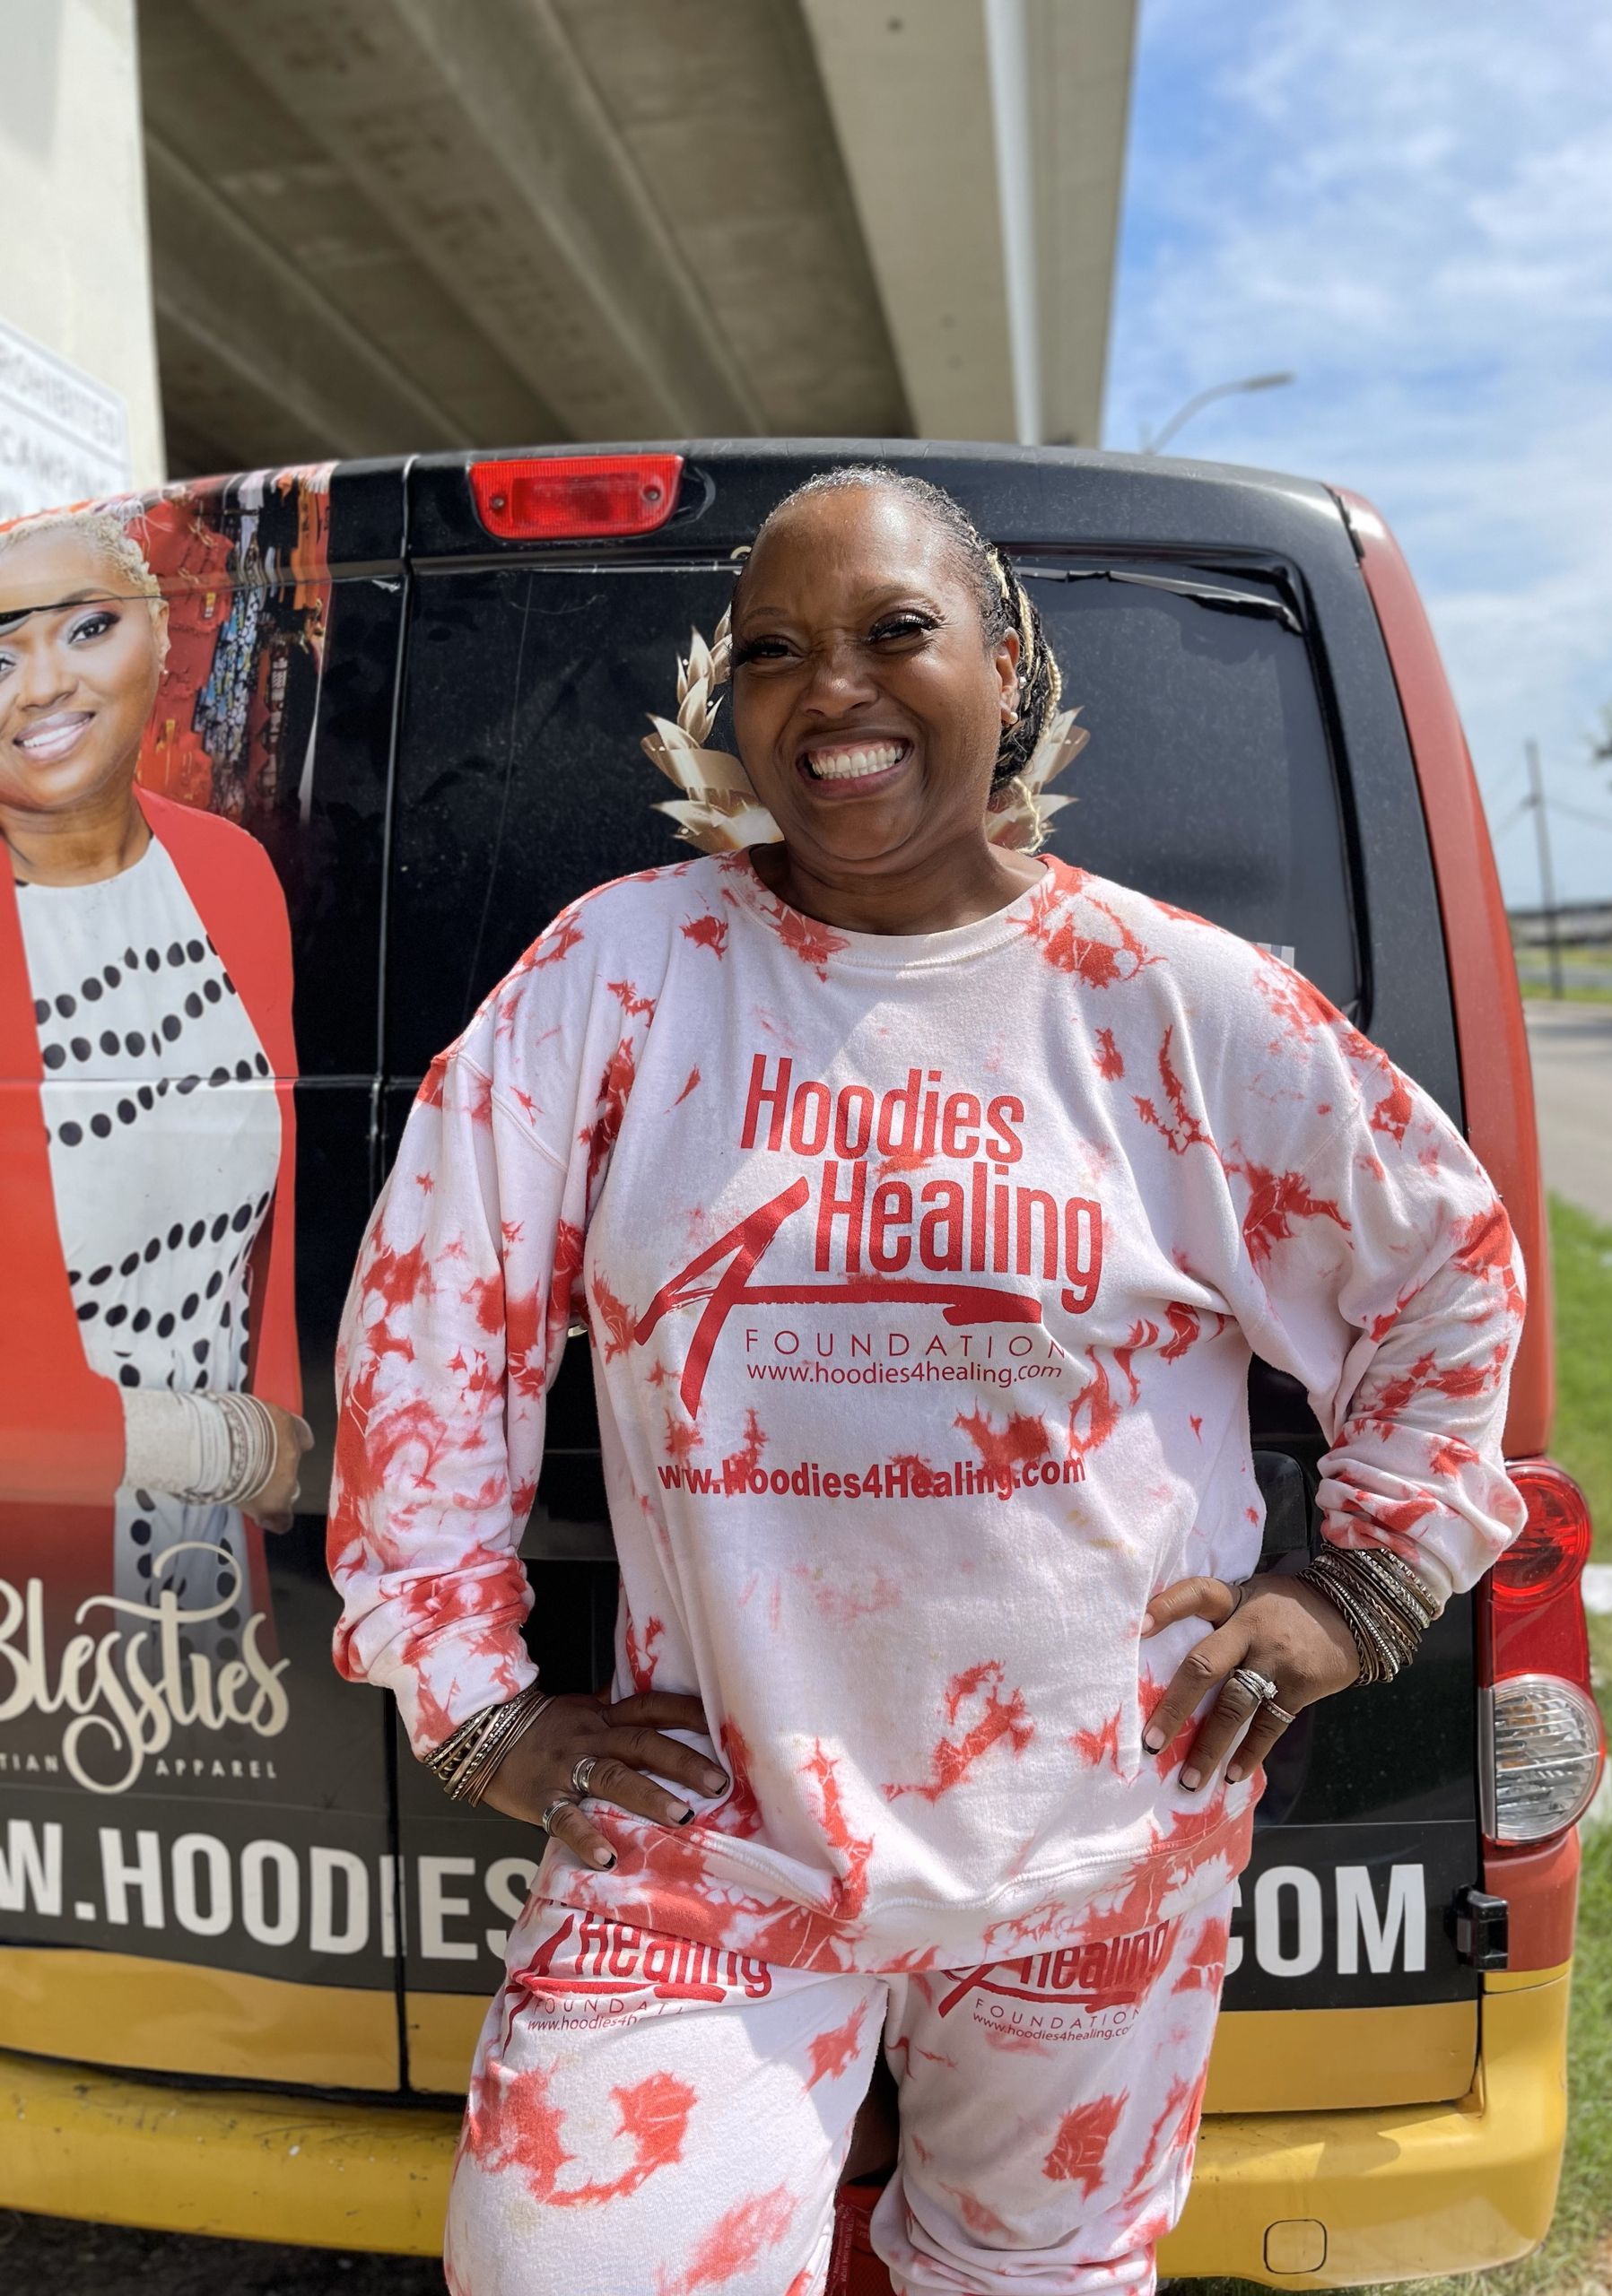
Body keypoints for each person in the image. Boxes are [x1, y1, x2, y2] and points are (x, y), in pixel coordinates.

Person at [328, 466, 1527, 2296]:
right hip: (717, 1835)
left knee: (1028, 2275)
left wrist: (1359, 1582)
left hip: (1098, 1838)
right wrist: (474, 1699)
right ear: (727, 706)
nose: (837, 691)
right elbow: (435, 1320)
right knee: (567, 2259)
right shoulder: (623, 974)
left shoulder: (1170, 1000)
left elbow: (1445, 1270)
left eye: (897, 630)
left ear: (1008, 659)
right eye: (775, 652)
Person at [0, 506, 310, 1655]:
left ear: (161, 646)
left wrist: (272, 1428)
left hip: (215, 1554)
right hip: (32, 1571)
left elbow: (270, 1206)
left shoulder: (229, 874)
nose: (39, 685)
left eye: (85, 629)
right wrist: (220, 1446)